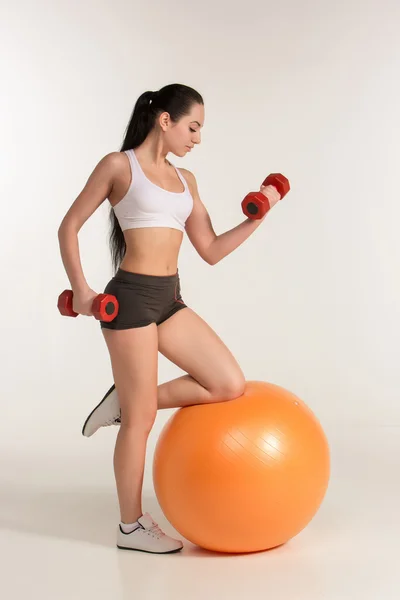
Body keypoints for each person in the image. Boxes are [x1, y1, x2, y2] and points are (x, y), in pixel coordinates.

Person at [57, 83, 282, 555]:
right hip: (130, 301)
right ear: (165, 120)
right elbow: (70, 224)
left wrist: (259, 215)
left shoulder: (186, 181)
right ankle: (130, 526)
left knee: (227, 383)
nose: (197, 139)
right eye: (192, 127)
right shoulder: (120, 166)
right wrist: (82, 290)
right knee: (141, 423)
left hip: (169, 298)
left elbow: (212, 250)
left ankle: (125, 400)